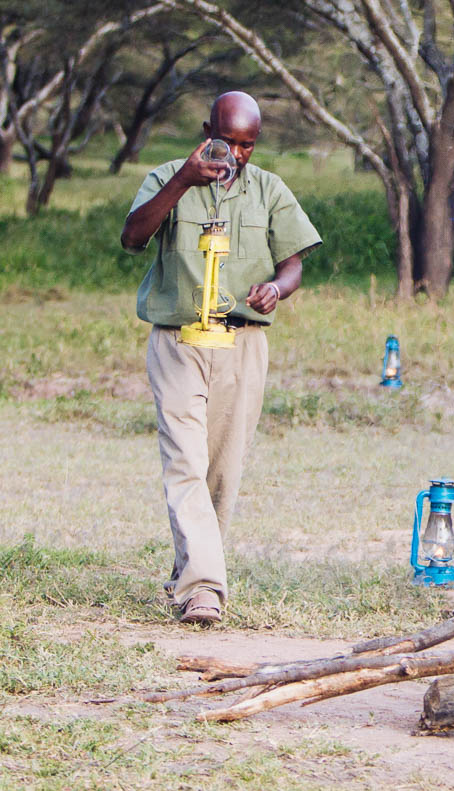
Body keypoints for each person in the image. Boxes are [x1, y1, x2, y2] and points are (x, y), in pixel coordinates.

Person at [121, 91, 321, 625]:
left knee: (221, 472)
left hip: (241, 344)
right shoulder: (168, 176)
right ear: (207, 128)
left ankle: (186, 572)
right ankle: (205, 588)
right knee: (184, 459)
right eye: (227, 139)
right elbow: (133, 237)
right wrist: (184, 179)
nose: (235, 153)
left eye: (247, 144)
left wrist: (277, 290)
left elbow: (294, 265)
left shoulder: (269, 190)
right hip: (180, 341)